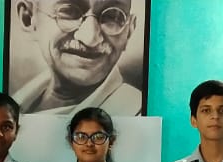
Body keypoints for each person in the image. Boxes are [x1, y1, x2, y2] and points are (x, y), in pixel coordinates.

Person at [11, 0, 143, 115]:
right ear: (28, 18)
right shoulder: (17, 102)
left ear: (129, 31)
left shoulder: (134, 111)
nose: (90, 39)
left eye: (112, 16)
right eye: (70, 12)